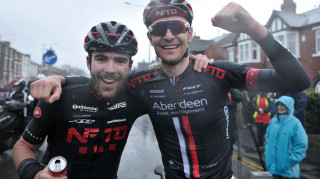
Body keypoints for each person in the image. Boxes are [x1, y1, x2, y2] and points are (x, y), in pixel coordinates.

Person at [30, 1, 311, 178]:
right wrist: (59, 78)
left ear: (189, 34)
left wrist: (253, 28)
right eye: (159, 28)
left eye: (177, 26)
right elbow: (104, 79)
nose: (168, 35)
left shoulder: (220, 72)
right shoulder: (141, 82)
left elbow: (296, 81)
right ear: (150, 37)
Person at [12, 21, 210, 179]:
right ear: (88, 62)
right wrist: (36, 173)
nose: (110, 69)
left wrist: (198, 63)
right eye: (101, 59)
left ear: (130, 66)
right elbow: (23, 146)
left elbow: (172, 74)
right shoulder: (59, 97)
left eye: (120, 60)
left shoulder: (136, 97)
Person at [264, 96, 308, 179]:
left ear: (289, 106)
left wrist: (288, 162)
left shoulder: (295, 123)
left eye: (283, 105)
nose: (280, 107)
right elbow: (268, 139)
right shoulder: (273, 121)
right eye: (278, 105)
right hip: (274, 169)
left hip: (289, 172)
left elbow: (301, 145)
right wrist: (267, 155)